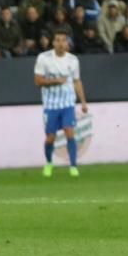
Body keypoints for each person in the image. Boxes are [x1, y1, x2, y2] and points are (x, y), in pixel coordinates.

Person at [34, 28, 88, 178]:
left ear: (67, 42)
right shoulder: (43, 58)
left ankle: (73, 166)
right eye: (57, 40)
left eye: (63, 40)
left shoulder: (73, 60)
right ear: (53, 42)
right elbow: (37, 81)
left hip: (67, 103)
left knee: (69, 132)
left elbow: (77, 82)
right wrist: (55, 81)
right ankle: (49, 162)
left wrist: (83, 102)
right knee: (50, 137)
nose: (61, 43)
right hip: (50, 105)